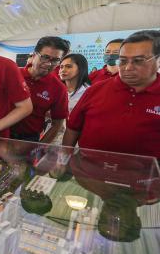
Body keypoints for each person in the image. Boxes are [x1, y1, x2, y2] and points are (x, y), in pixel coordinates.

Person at [64, 30, 160, 158]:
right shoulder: (95, 89)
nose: (128, 68)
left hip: (145, 170)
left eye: (138, 61)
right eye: (123, 60)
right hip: (89, 167)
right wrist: (63, 160)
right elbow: (72, 129)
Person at [10, 36, 70, 143]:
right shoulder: (13, 75)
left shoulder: (59, 88)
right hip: (0, 133)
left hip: (29, 140)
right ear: (34, 55)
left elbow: (58, 124)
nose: (48, 63)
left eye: (55, 60)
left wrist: (40, 147)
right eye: (45, 57)